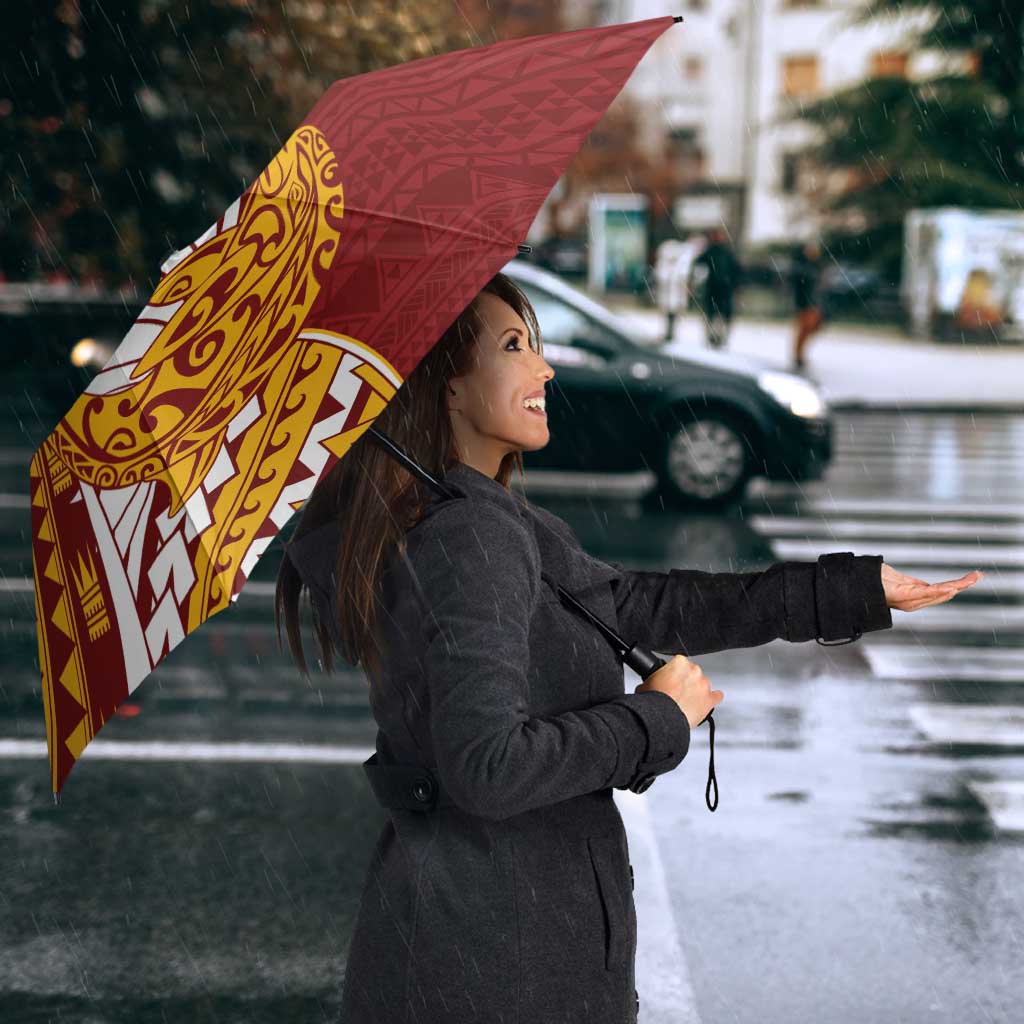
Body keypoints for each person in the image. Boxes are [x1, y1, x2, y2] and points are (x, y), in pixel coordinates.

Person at [275, 271, 967, 1024]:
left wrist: (850, 591)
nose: (544, 368)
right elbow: (488, 768)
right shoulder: (469, 537)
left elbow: (637, 604)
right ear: (446, 386)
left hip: (477, 942)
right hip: (499, 963)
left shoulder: (469, 517)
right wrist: (657, 719)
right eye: (514, 346)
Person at [692, 226, 742, 349]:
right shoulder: (712, 251)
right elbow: (698, 264)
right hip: (715, 288)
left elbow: (736, 270)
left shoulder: (725, 252)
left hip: (723, 288)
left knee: (720, 315)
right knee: (713, 314)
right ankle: (713, 337)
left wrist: (735, 284)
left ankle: (719, 337)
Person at [790, 239, 826, 371]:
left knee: (812, 328)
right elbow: (799, 286)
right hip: (805, 303)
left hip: (814, 303)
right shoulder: (802, 267)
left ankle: (800, 354)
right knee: (804, 329)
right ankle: (798, 355)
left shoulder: (817, 266)